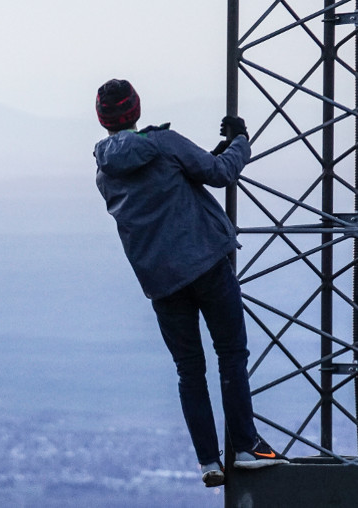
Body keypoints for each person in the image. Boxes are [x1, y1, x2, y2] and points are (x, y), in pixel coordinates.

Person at [92, 79, 288, 488]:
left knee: (189, 369)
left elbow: (163, 189)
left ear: (102, 119)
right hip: (207, 264)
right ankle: (247, 447)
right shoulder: (164, 143)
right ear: (137, 109)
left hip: (162, 283)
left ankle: (208, 461)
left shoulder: (104, 171)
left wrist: (204, 157)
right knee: (231, 353)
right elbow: (219, 174)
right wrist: (240, 141)